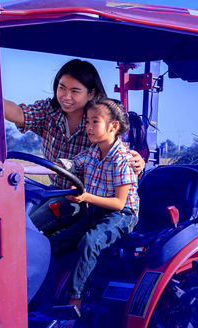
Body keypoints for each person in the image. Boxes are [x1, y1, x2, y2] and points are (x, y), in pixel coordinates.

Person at [0, 59, 144, 234]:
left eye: (75, 91)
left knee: (24, 230)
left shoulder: (100, 124)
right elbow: (19, 113)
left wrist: (138, 163)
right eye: (61, 88)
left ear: (91, 93)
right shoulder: (49, 111)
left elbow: (120, 157)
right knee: (5, 213)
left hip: (79, 198)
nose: (66, 96)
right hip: (52, 190)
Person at [51, 98, 139, 314]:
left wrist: (85, 197)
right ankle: (44, 293)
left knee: (89, 242)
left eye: (95, 122)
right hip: (96, 211)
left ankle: (76, 300)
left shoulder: (122, 159)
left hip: (121, 215)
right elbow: (72, 163)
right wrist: (55, 166)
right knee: (53, 244)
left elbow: (119, 203)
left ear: (113, 126)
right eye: (87, 122)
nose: (88, 127)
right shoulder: (93, 152)